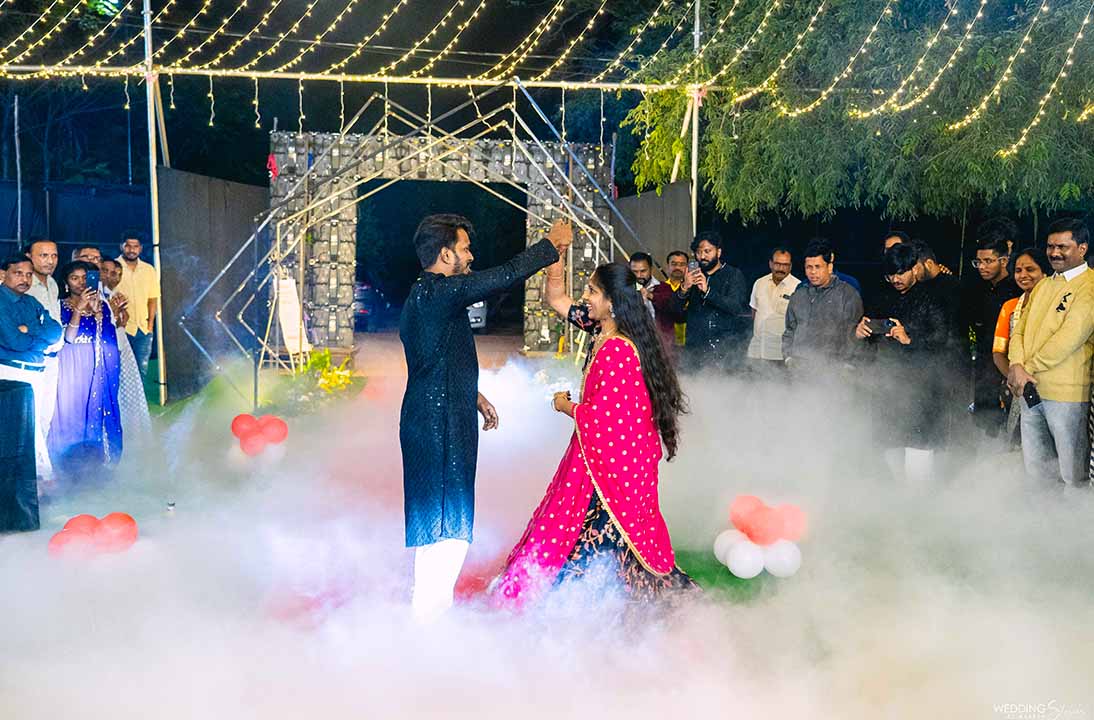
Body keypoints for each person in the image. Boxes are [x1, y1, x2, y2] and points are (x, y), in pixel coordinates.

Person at [399, 214, 571, 621]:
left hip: (441, 415)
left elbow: (432, 358)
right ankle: (428, 623)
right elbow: (503, 276)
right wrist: (549, 246)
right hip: (438, 425)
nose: (471, 256)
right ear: (445, 254)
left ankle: (427, 614)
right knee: (447, 528)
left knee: (442, 525)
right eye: (464, 249)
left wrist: (472, 394)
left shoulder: (429, 296)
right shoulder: (437, 292)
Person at [492, 262, 693, 608]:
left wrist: (564, 406)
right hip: (610, 458)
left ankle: (591, 604)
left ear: (612, 301)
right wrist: (556, 258)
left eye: (592, 291)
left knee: (598, 531)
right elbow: (556, 298)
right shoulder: (604, 330)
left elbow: (604, 418)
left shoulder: (617, 348)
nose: (585, 297)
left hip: (614, 462)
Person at [855, 244, 955, 482]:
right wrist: (859, 333)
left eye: (901, 273)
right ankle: (897, 500)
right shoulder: (881, 297)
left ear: (914, 268)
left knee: (918, 449)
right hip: (888, 385)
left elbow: (942, 340)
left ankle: (919, 504)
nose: (896, 279)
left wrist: (909, 338)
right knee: (889, 447)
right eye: (891, 275)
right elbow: (870, 342)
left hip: (922, 386)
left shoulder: (932, 298)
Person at [1007, 218, 1094, 487]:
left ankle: (1074, 527)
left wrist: (1026, 368)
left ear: (1082, 248)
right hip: (1030, 392)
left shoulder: (1089, 286)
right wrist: (1016, 364)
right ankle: (1041, 526)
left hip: (1067, 394)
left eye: (1062, 247)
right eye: (1050, 246)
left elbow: (1070, 338)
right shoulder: (1044, 285)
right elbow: (1019, 330)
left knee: (1072, 475)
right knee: (1037, 472)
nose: (1054, 253)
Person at [48, 261, 123, 478]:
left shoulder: (104, 305)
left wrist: (101, 315)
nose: (81, 283)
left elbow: (111, 338)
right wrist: (80, 310)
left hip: (98, 366)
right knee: (71, 411)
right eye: (75, 278)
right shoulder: (59, 306)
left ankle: (96, 465)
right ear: (66, 283)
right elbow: (68, 339)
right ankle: (66, 467)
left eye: (85, 277)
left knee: (97, 409)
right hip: (71, 366)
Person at [0, 257, 63, 479]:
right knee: (25, 429)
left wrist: (30, 329)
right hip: (12, 373)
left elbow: (56, 331)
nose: (25, 279)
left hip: (38, 371)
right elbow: (15, 342)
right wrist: (38, 332)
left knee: (38, 425)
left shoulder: (31, 301)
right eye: (18, 273)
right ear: (2, 274)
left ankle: (36, 480)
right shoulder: (1, 302)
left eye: (28, 275)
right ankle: (40, 480)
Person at [991, 248, 1052, 442]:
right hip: (1016, 386)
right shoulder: (1009, 307)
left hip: (1052, 386)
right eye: (1018, 270)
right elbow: (998, 352)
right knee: (1019, 443)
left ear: (1045, 273)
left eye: (1030, 269)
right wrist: (1015, 377)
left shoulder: (1057, 306)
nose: (1023, 275)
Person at [969, 232, 1020, 434]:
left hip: (1008, 366)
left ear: (1004, 260)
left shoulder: (1016, 290)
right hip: (983, 365)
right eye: (978, 262)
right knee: (984, 425)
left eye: (988, 261)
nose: (982, 267)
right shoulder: (978, 288)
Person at [783, 239, 862, 368]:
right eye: (809, 267)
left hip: (833, 370)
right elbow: (790, 330)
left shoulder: (848, 294)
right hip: (799, 368)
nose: (813, 272)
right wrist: (788, 357)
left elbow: (854, 334)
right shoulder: (798, 294)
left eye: (818, 267)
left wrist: (848, 364)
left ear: (829, 267)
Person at [676, 231, 749, 372]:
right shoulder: (692, 275)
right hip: (694, 351)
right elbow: (674, 309)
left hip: (724, 351)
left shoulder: (733, 275)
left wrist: (708, 291)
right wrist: (684, 287)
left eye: (707, 251)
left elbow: (736, 307)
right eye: (698, 252)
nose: (702, 256)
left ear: (719, 252)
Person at [101, 257, 151, 446]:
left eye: (116, 273)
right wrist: (113, 314)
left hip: (120, 343)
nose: (111, 276)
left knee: (128, 388)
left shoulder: (116, 294)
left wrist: (121, 318)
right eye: (105, 271)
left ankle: (132, 433)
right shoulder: (97, 295)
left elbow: (118, 323)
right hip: (106, 346)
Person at [23, 239, 62, 446]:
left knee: (46, 416)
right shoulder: (23, 286)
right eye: (43, 255)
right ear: (29, 255)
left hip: (53, 360)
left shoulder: (53, 283)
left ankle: (40, 469)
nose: (50, 261)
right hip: (32, 360)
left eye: (54, 255)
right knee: (30, 417)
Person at [115, 232, 160, 379]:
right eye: (128, 245)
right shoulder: (112, 268)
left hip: (143, 329)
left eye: (135, 246)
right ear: (121, 247)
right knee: (120, 369)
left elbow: (153, 298)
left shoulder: (149, 270)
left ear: (140, 249)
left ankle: (139, 402)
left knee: (141, 371)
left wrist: (150, 324)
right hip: (121, 327)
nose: (131, 250)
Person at [747, 246, 800, 370]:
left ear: (790, 266)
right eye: (777, 264)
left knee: (778, 389)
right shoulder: (759, 283)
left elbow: (799, 323)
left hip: (780, 355)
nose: (781, 268)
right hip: (756, 352)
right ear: (770, 263)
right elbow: (754, 313)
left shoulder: (798, 287)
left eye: (785, 265)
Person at [648, 250, 688, 352]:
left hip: (690, 343)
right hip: (666, 344)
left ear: (687, 268)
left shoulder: (694, 289)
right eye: (673, 264)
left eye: (682, 264)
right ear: (667, 267)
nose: (677, 268)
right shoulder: (658, 289)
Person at [630, 251, 659, 319]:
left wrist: (650, 296)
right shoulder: (624, 289)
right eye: (635, 271)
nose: (639, 275)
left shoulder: (663, 288)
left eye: (643, 271)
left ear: (651, 269)